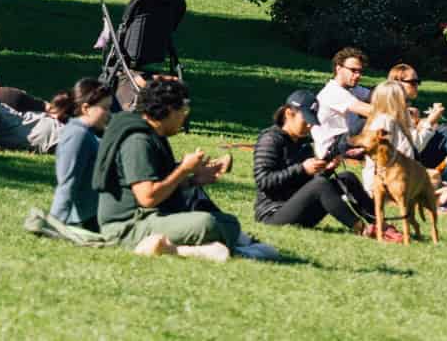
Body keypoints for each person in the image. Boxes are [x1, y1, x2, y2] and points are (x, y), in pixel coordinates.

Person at [92, 77, 267, 259]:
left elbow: (160, 182)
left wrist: (193, 180)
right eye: (182, 110)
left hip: (150, 217)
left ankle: (217, 247)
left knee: (228, 221)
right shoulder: (138, 140)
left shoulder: (154, 134)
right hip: (128, 226)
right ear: (168, 111)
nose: (184, 116)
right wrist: (183, 169)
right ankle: (189, 250)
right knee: (208, 223)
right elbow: (147, 197)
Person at [251, 92, 372, 231]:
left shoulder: (304, 144)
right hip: (273, 215)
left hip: (300, 211)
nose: (309, 126)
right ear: (289, 113)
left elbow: (308, 188)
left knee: (346, 178)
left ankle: (381, 224)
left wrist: (326, 170)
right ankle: (362, 229)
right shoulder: (270, 140)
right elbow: (264, 181)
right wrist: (302, 168)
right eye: (306, 120)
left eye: (312, 121)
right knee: (320, 184)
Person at [49, 80, 115, 229]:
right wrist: (53, 225)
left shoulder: (89, 133)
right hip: (84, 221)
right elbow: (67, 183)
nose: (109, 114)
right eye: (105, 108)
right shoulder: (77, 135)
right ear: (86, 108)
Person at [312, 47, 372, 159]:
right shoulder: (333, 91)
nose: (358, 75)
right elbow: (371, 112)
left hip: (348, 139)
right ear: (339, 69)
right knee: (367, 122)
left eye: (360, 71)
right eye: (353, 70)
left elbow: (375, 95)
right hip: (332, 149)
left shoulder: (351, 88)